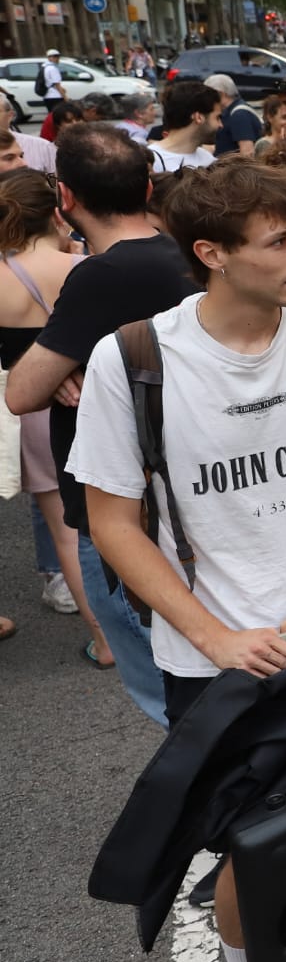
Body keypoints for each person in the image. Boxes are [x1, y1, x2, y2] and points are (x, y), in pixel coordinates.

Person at [67, 158, 286, 962]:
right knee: (254, 842)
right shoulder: (134, 358)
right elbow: (112, 522)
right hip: (216, 660)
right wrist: (217, 638)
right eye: (280, 241)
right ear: (211, 253)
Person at [6, 122, 195, 725]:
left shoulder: (100, 274)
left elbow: (21, 392)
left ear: (66, 197)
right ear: (148, 186)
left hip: (117, 499)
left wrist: (60, 362)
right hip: (187, 480)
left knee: (166, 682)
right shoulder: (184, 254)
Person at [0, 170, 101, 659]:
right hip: (89, 400)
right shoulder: (83, 267)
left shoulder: (3, 274)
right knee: (115, 519)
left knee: (66, 531)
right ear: (58, 212)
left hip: (27, 410)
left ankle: (104, 640)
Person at [147, 79, 220, 174]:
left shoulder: (208, 160)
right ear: (198, 117)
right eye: (217, 118)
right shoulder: (151, 162)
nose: (220, 124)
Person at [36, 49, 66, 118]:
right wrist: (65, 98)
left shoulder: (45, 67)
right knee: (59, 116)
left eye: (57, 56)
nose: (57, 58)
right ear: (49, 58)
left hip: (47, 96)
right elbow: (57, 85)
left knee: (52, 116)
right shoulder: (53, 69)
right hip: (56, 97)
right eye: (54, 56)